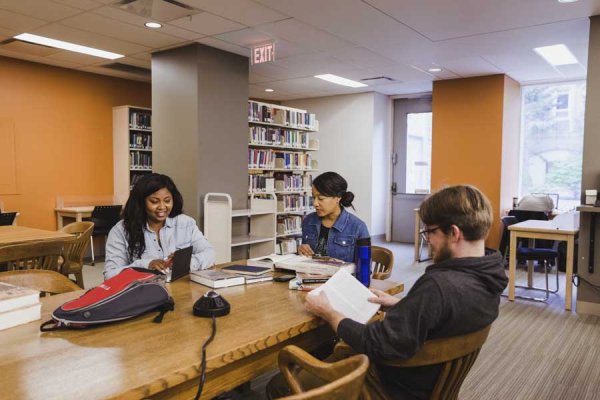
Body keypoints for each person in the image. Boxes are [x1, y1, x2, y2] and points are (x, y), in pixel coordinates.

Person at [268, 185, 508, 400]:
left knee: (279, 386)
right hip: (431, 385)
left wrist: (329, 312)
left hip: (386, 387)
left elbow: (376, 343)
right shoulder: (489, 276)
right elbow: (449, 314)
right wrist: (404, 304)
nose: (429, 241)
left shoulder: (439, 286)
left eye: (430, 232)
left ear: (454, 233)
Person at [104, 173, 215, 280]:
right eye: (154, 201)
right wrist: (146, 265)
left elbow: (209, 254)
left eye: (167, 201)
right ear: (141, 203)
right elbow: (110, 275)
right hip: (144, 293)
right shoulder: (120, 231)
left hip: (182, 289)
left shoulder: (186, 223)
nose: (162, 207)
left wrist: (186, 262)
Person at [298, 171, 369, 262]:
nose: (315, 203)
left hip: (342, 276)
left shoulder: (359, 227)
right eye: (313, 197)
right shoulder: (308, 220)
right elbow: (305, 259)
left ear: (338, 197)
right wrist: (301, 250)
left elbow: (365, 269)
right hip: (310, 275)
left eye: (320, 198)